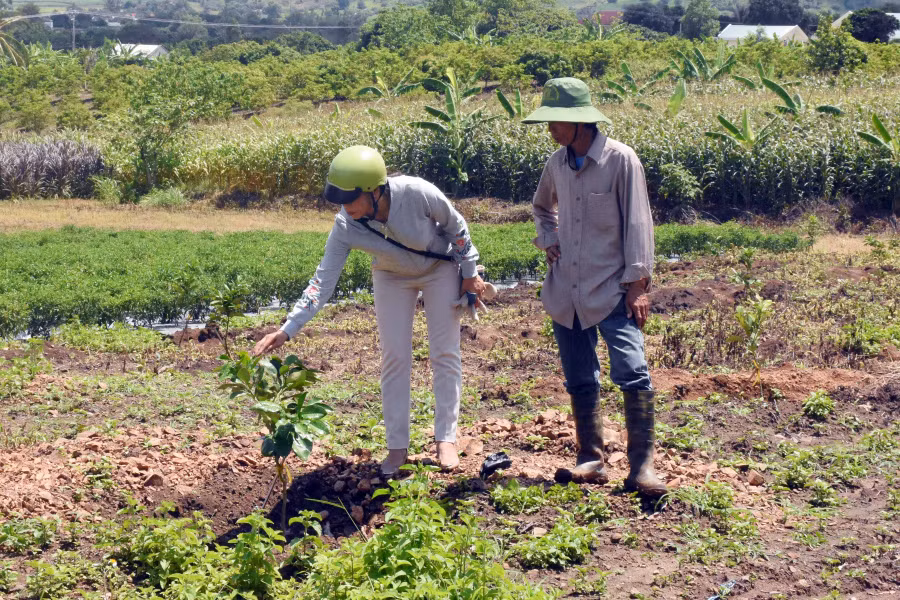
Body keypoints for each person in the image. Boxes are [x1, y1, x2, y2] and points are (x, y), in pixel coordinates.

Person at [254, 145, 485, 476]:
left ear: (374, 190)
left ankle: (445, 440)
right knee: (394, 357)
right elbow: (322, 281)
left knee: (444, 353)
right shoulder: (346, 225)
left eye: (351, 199)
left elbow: (456, 225)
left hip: (439, 269)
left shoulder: (417, 193)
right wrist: (287, 328)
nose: (345, 208)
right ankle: (397, 447)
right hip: (391, 275)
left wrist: (469, 273)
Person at [522, 77, 666, 496]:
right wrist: (548, 239)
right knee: (579, 377)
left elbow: (639, 222)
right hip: (567, 288)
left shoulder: (622, 161)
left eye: (557, 121)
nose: (550, 129)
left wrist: (638, 285)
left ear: (581, 123)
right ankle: (591, 458)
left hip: (612, 288)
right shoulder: (556, 164)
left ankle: (642, 469)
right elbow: (541, 208)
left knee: (633, 372)